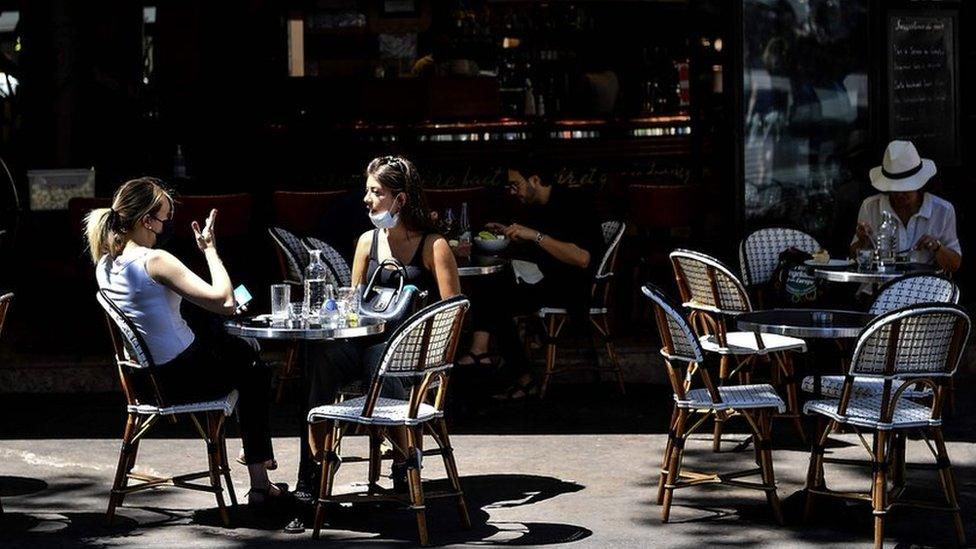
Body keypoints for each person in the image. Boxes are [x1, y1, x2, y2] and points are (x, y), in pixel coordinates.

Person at [85, 177, 285, 506]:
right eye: (165, 217)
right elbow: (225, 301)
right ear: (147, 220)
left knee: (236, 348)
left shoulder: (104, 264)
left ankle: (255, 456)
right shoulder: (156, 260)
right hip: (183, 377)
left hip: (145, 380)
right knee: (254, 370)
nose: (167, 226)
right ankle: (259, 480)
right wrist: (210, 251)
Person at [297, 156, 460, 502]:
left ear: (400, 199)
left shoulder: (433, 245)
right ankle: (317, 463)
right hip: (364, 343)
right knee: (320, 353)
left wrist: (426, 351)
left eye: (376, 192)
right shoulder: (366, 243)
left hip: (410, 355)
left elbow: (454, 314)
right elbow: (353, 304)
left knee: (378, 360)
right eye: (367, 191)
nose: (367, 199)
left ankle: (404, 457)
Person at [461, 156, 604, 400]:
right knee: (489, 284)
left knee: (497, 299)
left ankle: (507, 368)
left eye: (516, 184)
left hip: (572, 288)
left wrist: (535, 236)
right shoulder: (540, 208)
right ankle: (481, 350)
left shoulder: (575, 204)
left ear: (535, 180)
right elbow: (540, 248)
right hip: (546, 279)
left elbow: (582, 259)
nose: (513, 191)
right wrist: (510, 234)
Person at [851, 140, 961, 273]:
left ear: (919, 185)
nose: (900, 194)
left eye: (906, 188)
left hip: (922, 289)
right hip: (877, 287)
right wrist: (863, 241)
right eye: (894, 189)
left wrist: (937, 247)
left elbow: (954, 265)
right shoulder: (870, 207)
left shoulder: (943, 210)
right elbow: (853, 257)